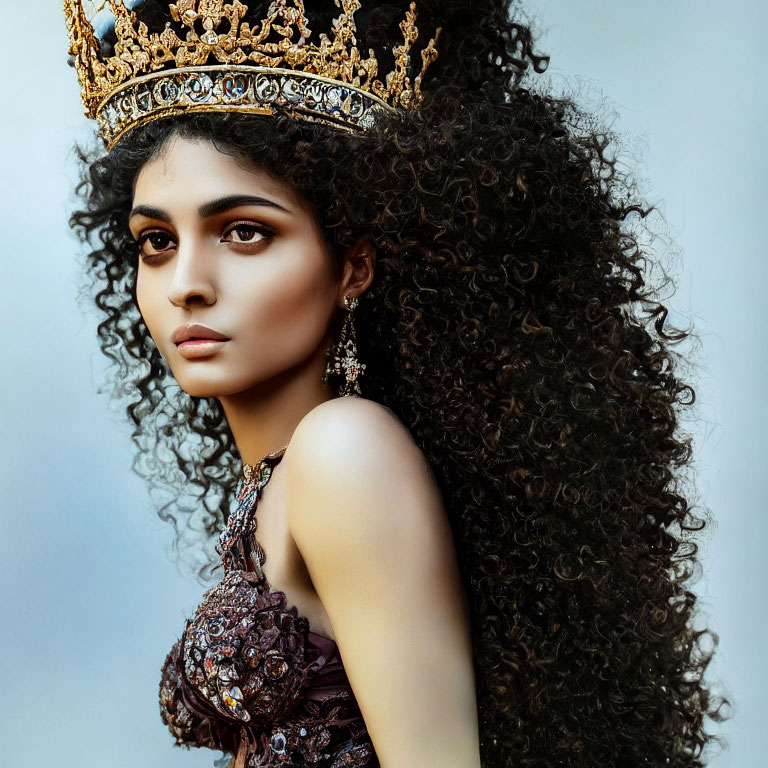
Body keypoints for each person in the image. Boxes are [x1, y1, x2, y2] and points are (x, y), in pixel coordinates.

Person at [65, 0, 727, 766]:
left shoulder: (345, 451)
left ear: (354, 265)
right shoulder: (289, 481)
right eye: (155, 242)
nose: (186, 283)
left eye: (245, 232)